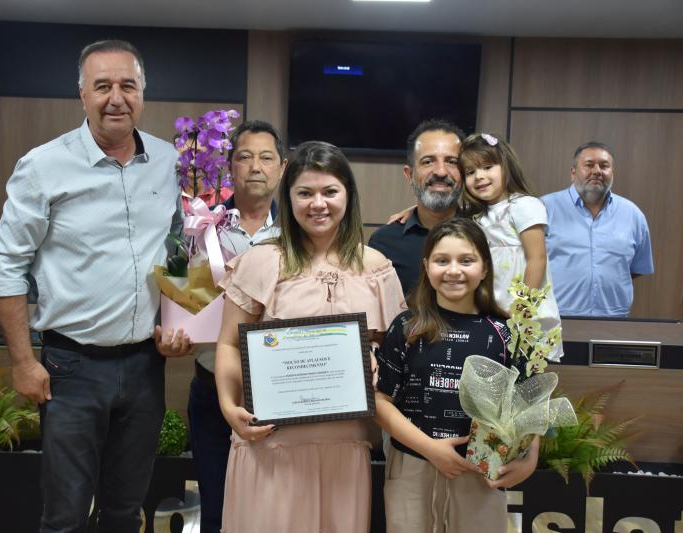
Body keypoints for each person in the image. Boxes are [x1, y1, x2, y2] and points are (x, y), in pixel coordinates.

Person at [0, 40, 191, 532]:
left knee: (125, 510)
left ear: (143, 93)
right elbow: (7, 264)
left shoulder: (169, 161)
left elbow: (179, 251)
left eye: (127, 86)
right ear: (82, 94)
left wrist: (178, 320)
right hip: (70, 368)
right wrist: (23, 361)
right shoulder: (43, 165)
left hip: (145, 366)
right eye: (102, 86)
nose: (116, 98)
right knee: (66, 514)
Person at [214, 141, 405, 532]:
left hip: (344, 445)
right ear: (289, 198)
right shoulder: (261, 261)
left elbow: (394, 352)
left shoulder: (375, 267)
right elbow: (229, 344)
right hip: (270, 444)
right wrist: (229, 407)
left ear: (348, 195)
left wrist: (374, 366)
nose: (318, 204)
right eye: (305, 193)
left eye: (330, 191)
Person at [374, 218, 539, 533]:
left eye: (466, 260)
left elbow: (529, 404)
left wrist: (529, 460)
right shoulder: (406, 327)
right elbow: (381, 402)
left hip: (480, 470)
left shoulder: (507, 333)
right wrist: (430, 449)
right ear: (426, 266)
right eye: (442, 260)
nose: (453, 271)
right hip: (412, 465)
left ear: (485, 268)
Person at [187, 120, 287, 533]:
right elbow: (180, 292)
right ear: (230, 167)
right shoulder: (200, 225)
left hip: (281, 392)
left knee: (273, 514)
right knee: (216, 509)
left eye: (266, 157)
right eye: (245, 157)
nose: (256, 167)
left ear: (282, 167)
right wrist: (174, 330)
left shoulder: (300, 232)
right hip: (212, 388)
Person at [459, 132, 562, 361]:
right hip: (490, 310)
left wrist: (522, 308)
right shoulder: (475, 216)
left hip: (523, 310)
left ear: (506, 166)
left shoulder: (524, 205)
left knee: (525, 370)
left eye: (487, 167)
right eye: (470, 172)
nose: (479, 176)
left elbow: (537, 258)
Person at [541, 142, 653, 317]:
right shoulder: (544, 208)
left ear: (612, 173)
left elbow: (634, 269)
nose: (597, 171)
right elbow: (528, 262)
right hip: (555, 319)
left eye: (604, 166)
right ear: (573, 173)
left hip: (614, 320)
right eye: (589, 165)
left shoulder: (632, 214)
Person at [368, 119, 464, 296]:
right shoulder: (384, 242)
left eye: (452, 161)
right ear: (409, 174)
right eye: (428, 162)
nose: (441, 171)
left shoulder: (488, 232)